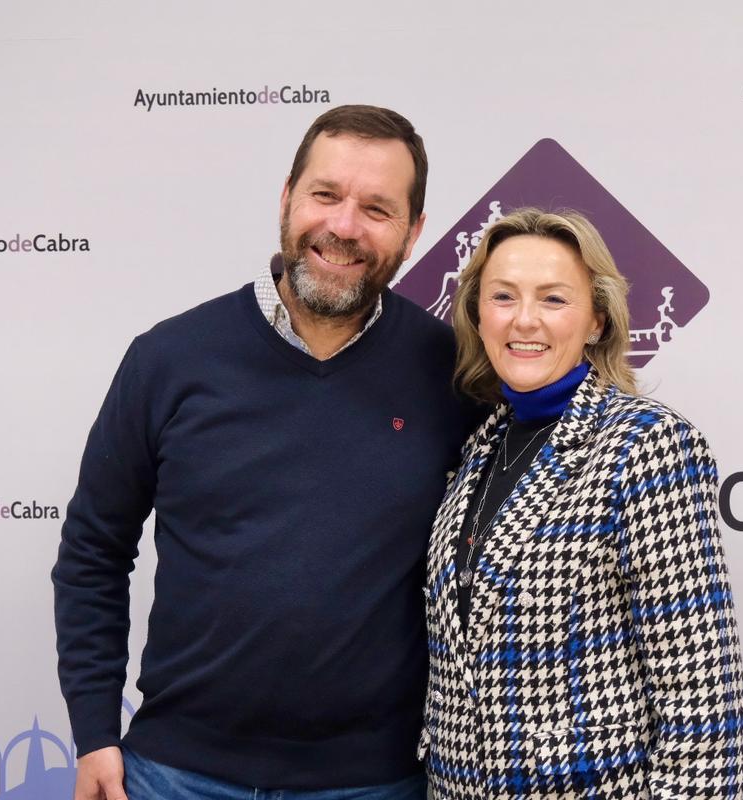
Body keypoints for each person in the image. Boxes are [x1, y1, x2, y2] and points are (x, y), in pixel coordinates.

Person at [52, 105, 476, 800]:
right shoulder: (170, 358)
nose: (343, 226)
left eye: (377, 208)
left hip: (375, 783)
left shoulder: (452, 375)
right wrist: (95, 731)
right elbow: (95, 549)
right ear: (286, 197)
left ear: (414, 232)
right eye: (325, 194)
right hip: (173, 775)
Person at [420, 208, 743, 798]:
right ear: (476, 313)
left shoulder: (648, 445)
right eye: (503, 296)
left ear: (596, 319)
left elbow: (704, 712)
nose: (525, 320)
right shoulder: (479, 448)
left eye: (553, 299)